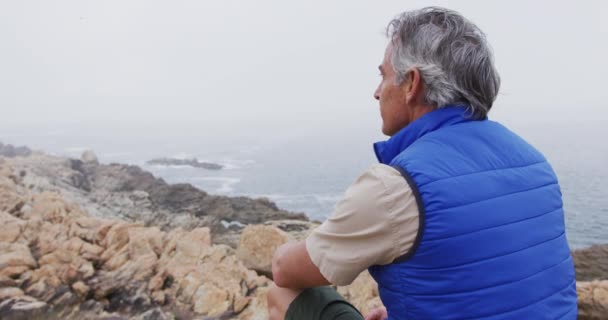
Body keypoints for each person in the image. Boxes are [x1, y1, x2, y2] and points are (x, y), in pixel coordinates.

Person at [267, 7, 578, 320]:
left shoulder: (398, 185)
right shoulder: (535, 163)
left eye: (383, 75)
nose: (377, 92)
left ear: (411, 84)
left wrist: (277, 250)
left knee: (283, 292)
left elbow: (285, 271)